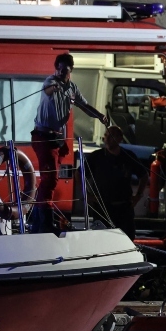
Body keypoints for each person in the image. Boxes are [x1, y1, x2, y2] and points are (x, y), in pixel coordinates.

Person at [31, 52, 107, 232]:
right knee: (50, 178)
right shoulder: (51, 82)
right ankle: (44, 222)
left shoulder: (72, 87)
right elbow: (48, 90)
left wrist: (99, 116)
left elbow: (84, 105)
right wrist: (54, 89)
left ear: (70, 69)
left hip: (57, 137)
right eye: (58, 69)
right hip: (43, 136)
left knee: (51, 179)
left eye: (64, 69)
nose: (61, 72)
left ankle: (39, 215)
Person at [85, 125, 147, 239]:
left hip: (123, 209)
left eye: (111, 136)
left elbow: (144, 175)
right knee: (101, 241)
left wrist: (138, 195)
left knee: (127, 240)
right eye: (106, 135)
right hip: (102, 208)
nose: (107, 139)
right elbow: (79, 174)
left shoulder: (128, 156)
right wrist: (87, 195)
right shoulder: (96, 156)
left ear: (120, 139)